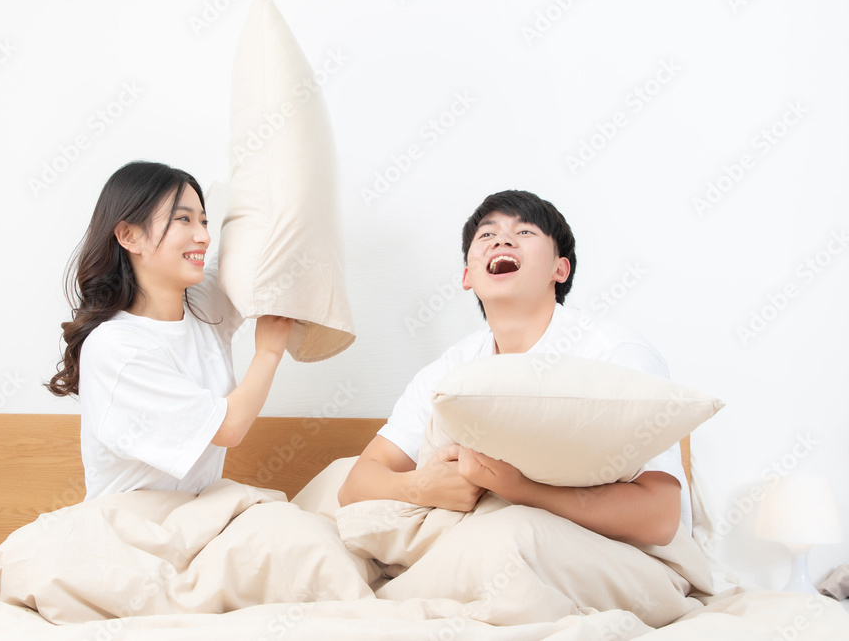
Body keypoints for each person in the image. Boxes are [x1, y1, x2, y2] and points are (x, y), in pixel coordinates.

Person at [338, 189, 689, 547]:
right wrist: (420, 485)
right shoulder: (449, 372)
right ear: (467, 277)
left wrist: (519, 489)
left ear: (560, 268)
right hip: (474, 539)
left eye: (525, 232)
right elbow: (355, 484)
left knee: (512, 538)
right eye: (487, 234)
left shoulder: (614, 353)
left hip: (604, 550)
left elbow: (660, 518)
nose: (502, 239)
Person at [47, 160, 293, 500]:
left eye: (204, 221)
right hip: (131, 528)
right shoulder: (116, 347)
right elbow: (227, 427)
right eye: (184, 219)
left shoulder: (201, 307)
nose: (204, 236)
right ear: (129, 235)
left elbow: (249, 241)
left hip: (191, 519)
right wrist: (268, 352)